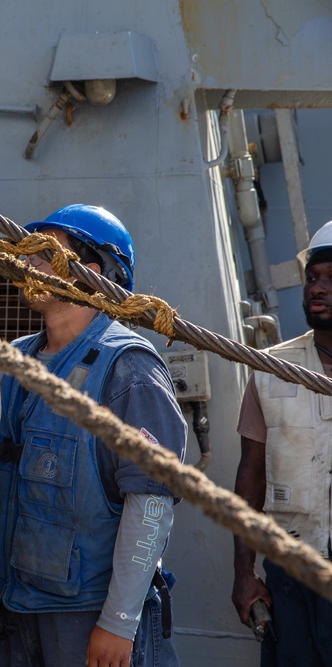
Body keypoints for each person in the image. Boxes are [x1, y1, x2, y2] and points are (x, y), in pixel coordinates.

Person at [0, 204, 187, 667]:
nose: (28, 262)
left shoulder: (129, 370)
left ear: (89, 272)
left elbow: (151, 503)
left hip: (89, 620)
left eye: (45, 253)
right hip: (14, 612)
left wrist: (118, 623)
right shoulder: (11, 363)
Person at [232, 218, 332, 665]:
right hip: (289, 577)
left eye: (331, 279)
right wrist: (244, 574)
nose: (317, 288)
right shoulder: (271, 371)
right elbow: (250, 474)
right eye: (313, 278)